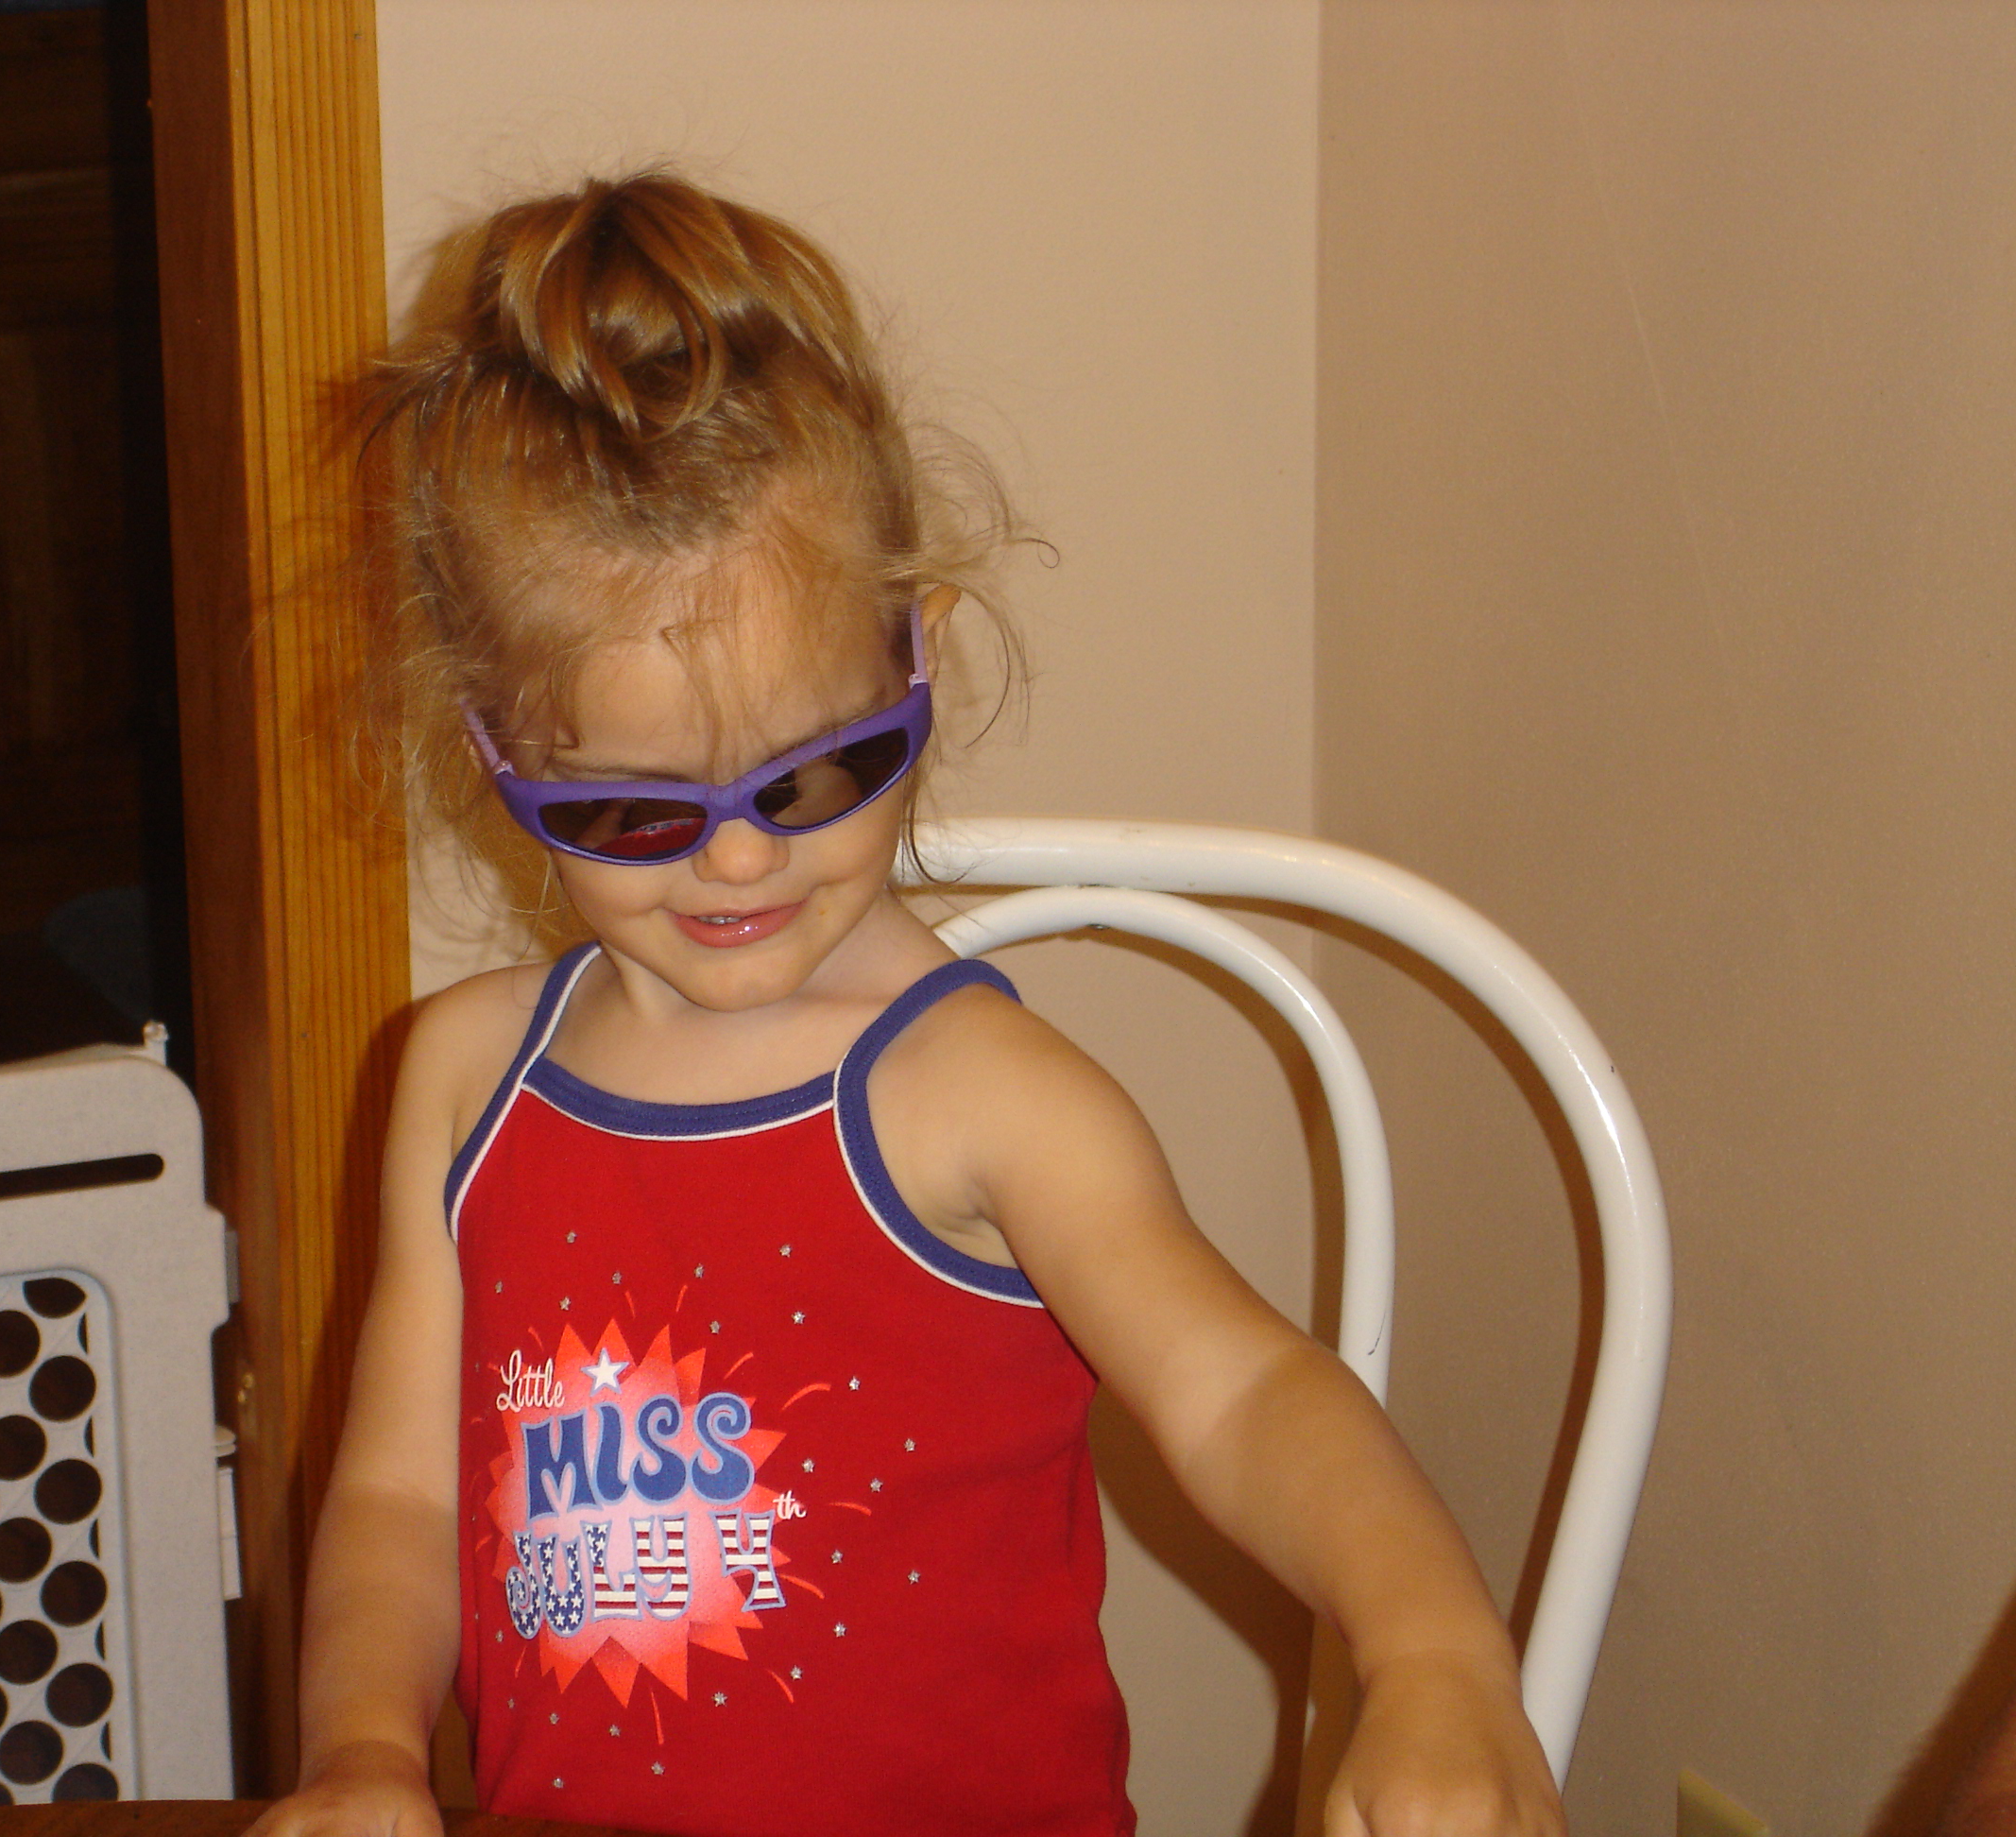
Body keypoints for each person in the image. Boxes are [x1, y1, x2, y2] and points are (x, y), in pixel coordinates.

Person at [257, 170, 1565, 1837]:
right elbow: (396, 1497)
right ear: (495, 752)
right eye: (633, 811)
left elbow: (1246, 1396)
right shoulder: (462, 1080)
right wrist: (364, 1753)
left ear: (916, 659)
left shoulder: (982, 1096)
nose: (737, 861)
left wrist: (1434, 1648)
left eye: (818, 776)